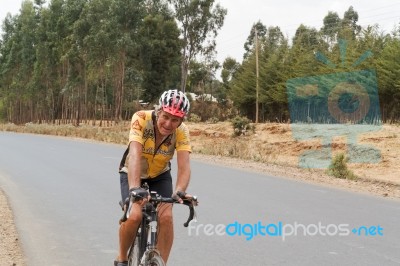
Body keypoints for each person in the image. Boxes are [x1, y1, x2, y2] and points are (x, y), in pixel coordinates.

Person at [115, 89, 192, 266]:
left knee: (166, 217)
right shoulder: (141, 118)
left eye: (175, 120)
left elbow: (184, 165)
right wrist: (135, 188)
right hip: (133, 172)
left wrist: (180, 190)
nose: (168, 123)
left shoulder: (182, 132)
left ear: (181, 121)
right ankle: (122, 258)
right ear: (158, 110)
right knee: (134, 216)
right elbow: (134, 154)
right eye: (165, 116)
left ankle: (161, 262)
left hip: (160, 175)